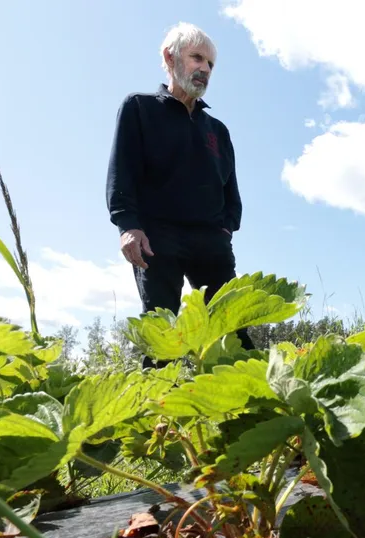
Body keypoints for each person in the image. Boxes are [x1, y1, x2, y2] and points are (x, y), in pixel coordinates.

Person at [106, 22, 255, 367]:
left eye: (210, 65)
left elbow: (230, 189)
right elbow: (121, 172)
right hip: (156, 238)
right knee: (163, 333)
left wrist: (226, 230)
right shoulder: (139, 108)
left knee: (233, 329)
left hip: (210, 240)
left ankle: (249, 409)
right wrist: (128, 225)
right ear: (170, 57)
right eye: (197, 58)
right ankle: (159, 412)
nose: (204, 69)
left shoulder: (217, 130)